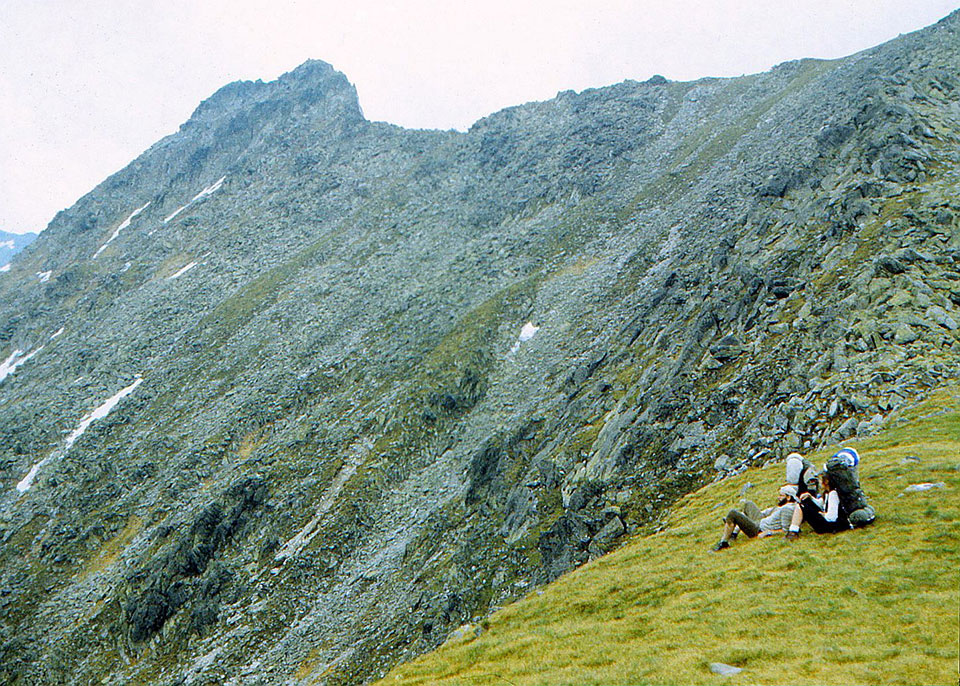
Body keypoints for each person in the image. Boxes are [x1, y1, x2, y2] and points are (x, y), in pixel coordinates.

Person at [711, 486, 798, 551]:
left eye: (781, 495)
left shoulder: (787, 509)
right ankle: (735, 529)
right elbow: (767, 513)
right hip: (761, 521)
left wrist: (767, 533)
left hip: (759, 529)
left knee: (732, 513)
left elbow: (785, 530)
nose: (778, 497)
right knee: (748, 504)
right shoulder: (783, 506)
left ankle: (724, 542)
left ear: (788, 497)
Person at [784, 472, 850, 539]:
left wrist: (822, 514)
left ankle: (793, 531)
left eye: (821, 480)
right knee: (805, 501)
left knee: (801, 506)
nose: (819, 482)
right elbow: (821, 504)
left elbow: (832, 517)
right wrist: (810, 497)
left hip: (830, 526)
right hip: (830, 524)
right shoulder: (827, 493)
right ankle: (793, 530)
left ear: (826, 481)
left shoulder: (833, 494)